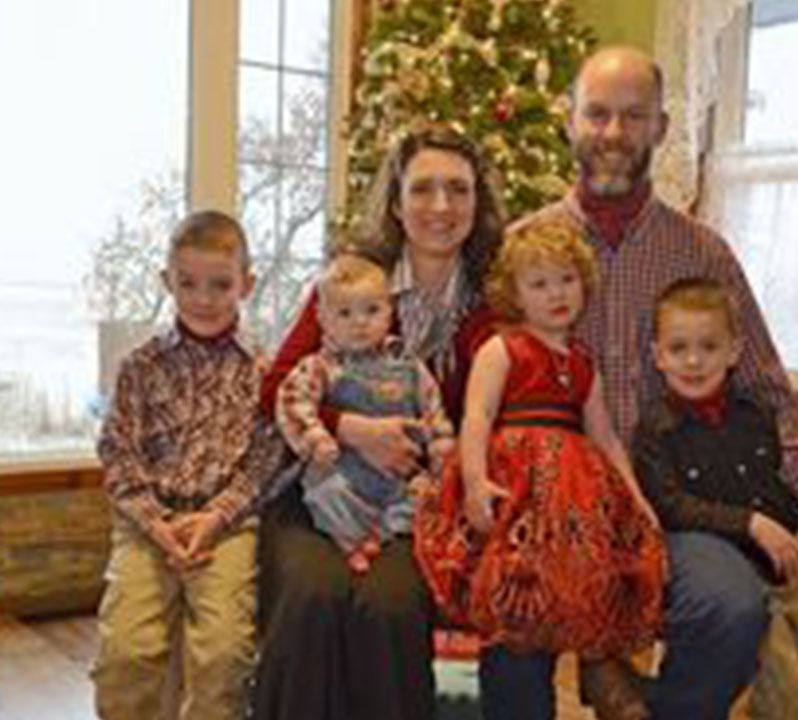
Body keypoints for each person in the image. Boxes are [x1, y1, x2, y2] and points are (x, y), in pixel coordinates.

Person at [489, 45, 798, 720]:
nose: (613, 133)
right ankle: (598, 674)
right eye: (597, 114)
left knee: (732, 606)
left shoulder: (703, 254)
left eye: (634, 116)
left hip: (676, 506)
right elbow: (483, 386)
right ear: (570, 120)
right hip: (550, 504)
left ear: (660, 127)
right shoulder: (525, 249)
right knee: (514, 621)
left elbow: (769, 393)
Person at [251, 124, 505, 720]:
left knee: (389, 605)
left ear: (477, 202)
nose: (440, 206)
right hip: (321, 491)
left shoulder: (491, 305)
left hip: (413, 506)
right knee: (313, 594)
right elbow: (275, 387)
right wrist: (351, 429)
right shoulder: (350, 285)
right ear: (396, 202)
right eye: (422, 189)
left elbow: (490, 419)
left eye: (458, 190)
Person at [414, 221, 668, 720]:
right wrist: (472, 481)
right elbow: (478, 417)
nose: (557, 294)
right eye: (540, 283)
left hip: (571, 514)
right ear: (515, 296)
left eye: (567, 279)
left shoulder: (582, 363)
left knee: (561, 608)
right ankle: (504, 705)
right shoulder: (501, 348)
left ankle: (562, 689)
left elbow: (605, 436)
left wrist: (636, 499)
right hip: (512, 498)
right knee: (512, 612)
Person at [92, 210, 279, 720]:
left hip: (228, 528)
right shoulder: (140, 366)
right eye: (188, 283)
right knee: (126, 652)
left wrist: (216, 518)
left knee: (223, 654)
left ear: (247, 284)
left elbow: (266, 460)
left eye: (221, 284)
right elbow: (117, 452)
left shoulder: (263, 370)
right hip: (147, 526)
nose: (204, 298)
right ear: (166, 281)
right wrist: (157, 525)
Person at [632, 277, 798, 719]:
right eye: (678, 347)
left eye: (709, 346)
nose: (693, 360)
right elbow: (670, 505)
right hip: (746, 564)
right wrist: (749, 523)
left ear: (734, 352)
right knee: (784, 681)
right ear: (657, 356)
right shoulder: (654, 430)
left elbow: (786, 474)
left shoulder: (756, 412)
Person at [275, 253, 454, 574]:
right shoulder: (319, 366)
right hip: (344, 471)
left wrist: (440, 445)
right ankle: (348, 540)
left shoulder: (410, 366)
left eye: (371, 310)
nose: (359, 322)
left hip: (400, 477)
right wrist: (315, 437)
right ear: (323, 319)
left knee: (424, 499)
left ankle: (380, 535)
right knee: (324, 494)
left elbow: (433, 407)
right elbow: (291, 401)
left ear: (389, 313)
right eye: (344, 313)